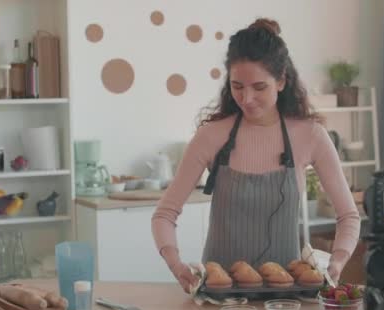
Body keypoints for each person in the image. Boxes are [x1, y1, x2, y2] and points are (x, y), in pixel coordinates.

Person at [151, 18, 361, 293]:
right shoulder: (211, 136)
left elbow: (348, 216)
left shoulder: (310, 135)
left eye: (259, 87)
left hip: (286, 300)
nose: (247, 98)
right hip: (219, 299)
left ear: (282, 81)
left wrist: (337, 262)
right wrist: (175, 264)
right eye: (237, 86)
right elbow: (164, 214)